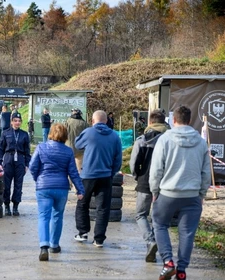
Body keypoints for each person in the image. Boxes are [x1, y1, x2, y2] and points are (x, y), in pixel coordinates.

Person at [149, 105, 210, 280]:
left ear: (173, 120)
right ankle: (182, 270)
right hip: (192, 195)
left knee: (160, 225)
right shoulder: (200, 142)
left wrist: (155, 191)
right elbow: (206, 172)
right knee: (187, 233)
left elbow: (156, 170)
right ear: (189, 121)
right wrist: (202, 194)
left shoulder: (164, 139)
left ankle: (168, 262)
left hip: (167, 193)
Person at [29, 123, 85, 261]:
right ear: (65, 135)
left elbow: (32, 167)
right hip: (61, 188)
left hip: (44, 187)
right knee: (57, 216)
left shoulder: (41, 147)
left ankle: (43, 246)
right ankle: (54, 245)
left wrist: (38, 179)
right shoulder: (68, 151)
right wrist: (80, 189)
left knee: (43, 216)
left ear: (50, 133)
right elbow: (73, 172)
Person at [74, 110, 122, 247]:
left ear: (92, 121)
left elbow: (77, 144)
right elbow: (118, 159)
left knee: (82, 204)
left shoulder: (89, 132)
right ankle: (99, 239)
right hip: (105, 176)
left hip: (87, 175)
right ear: (106, 121)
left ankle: (82, 233)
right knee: (103, 208)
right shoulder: (114, 136)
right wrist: (111, 173)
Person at [129, 109, 167, 263]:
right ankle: (155, 243)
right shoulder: (169, 140)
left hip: (145, 182)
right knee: (158, 217)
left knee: (140, 214)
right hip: (165, 184)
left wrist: (136, 176)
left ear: (150, 122)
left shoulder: (141, 140)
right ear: (164, 122)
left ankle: (150, 241)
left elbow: (133, 163)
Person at [0, 112, 31, 216]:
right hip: (8, 159)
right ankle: (6, 206)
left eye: (19, 121)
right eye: (15, 121)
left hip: (20, 160)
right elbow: (1, 148)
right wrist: (0, 162)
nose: (17, 123)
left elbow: (27, 151)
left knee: (18, 185)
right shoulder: (5, 133)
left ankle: (16, 206)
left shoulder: (24, 134)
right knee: (6, 185)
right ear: (11, 122)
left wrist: (26, 165)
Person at [65, 108, 88, 188]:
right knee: (79, 169)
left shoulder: (67, 121)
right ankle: (78, 187)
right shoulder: (84, 123)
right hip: (80, 149)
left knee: (68, 167)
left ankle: (69, 183)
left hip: (68, 148)